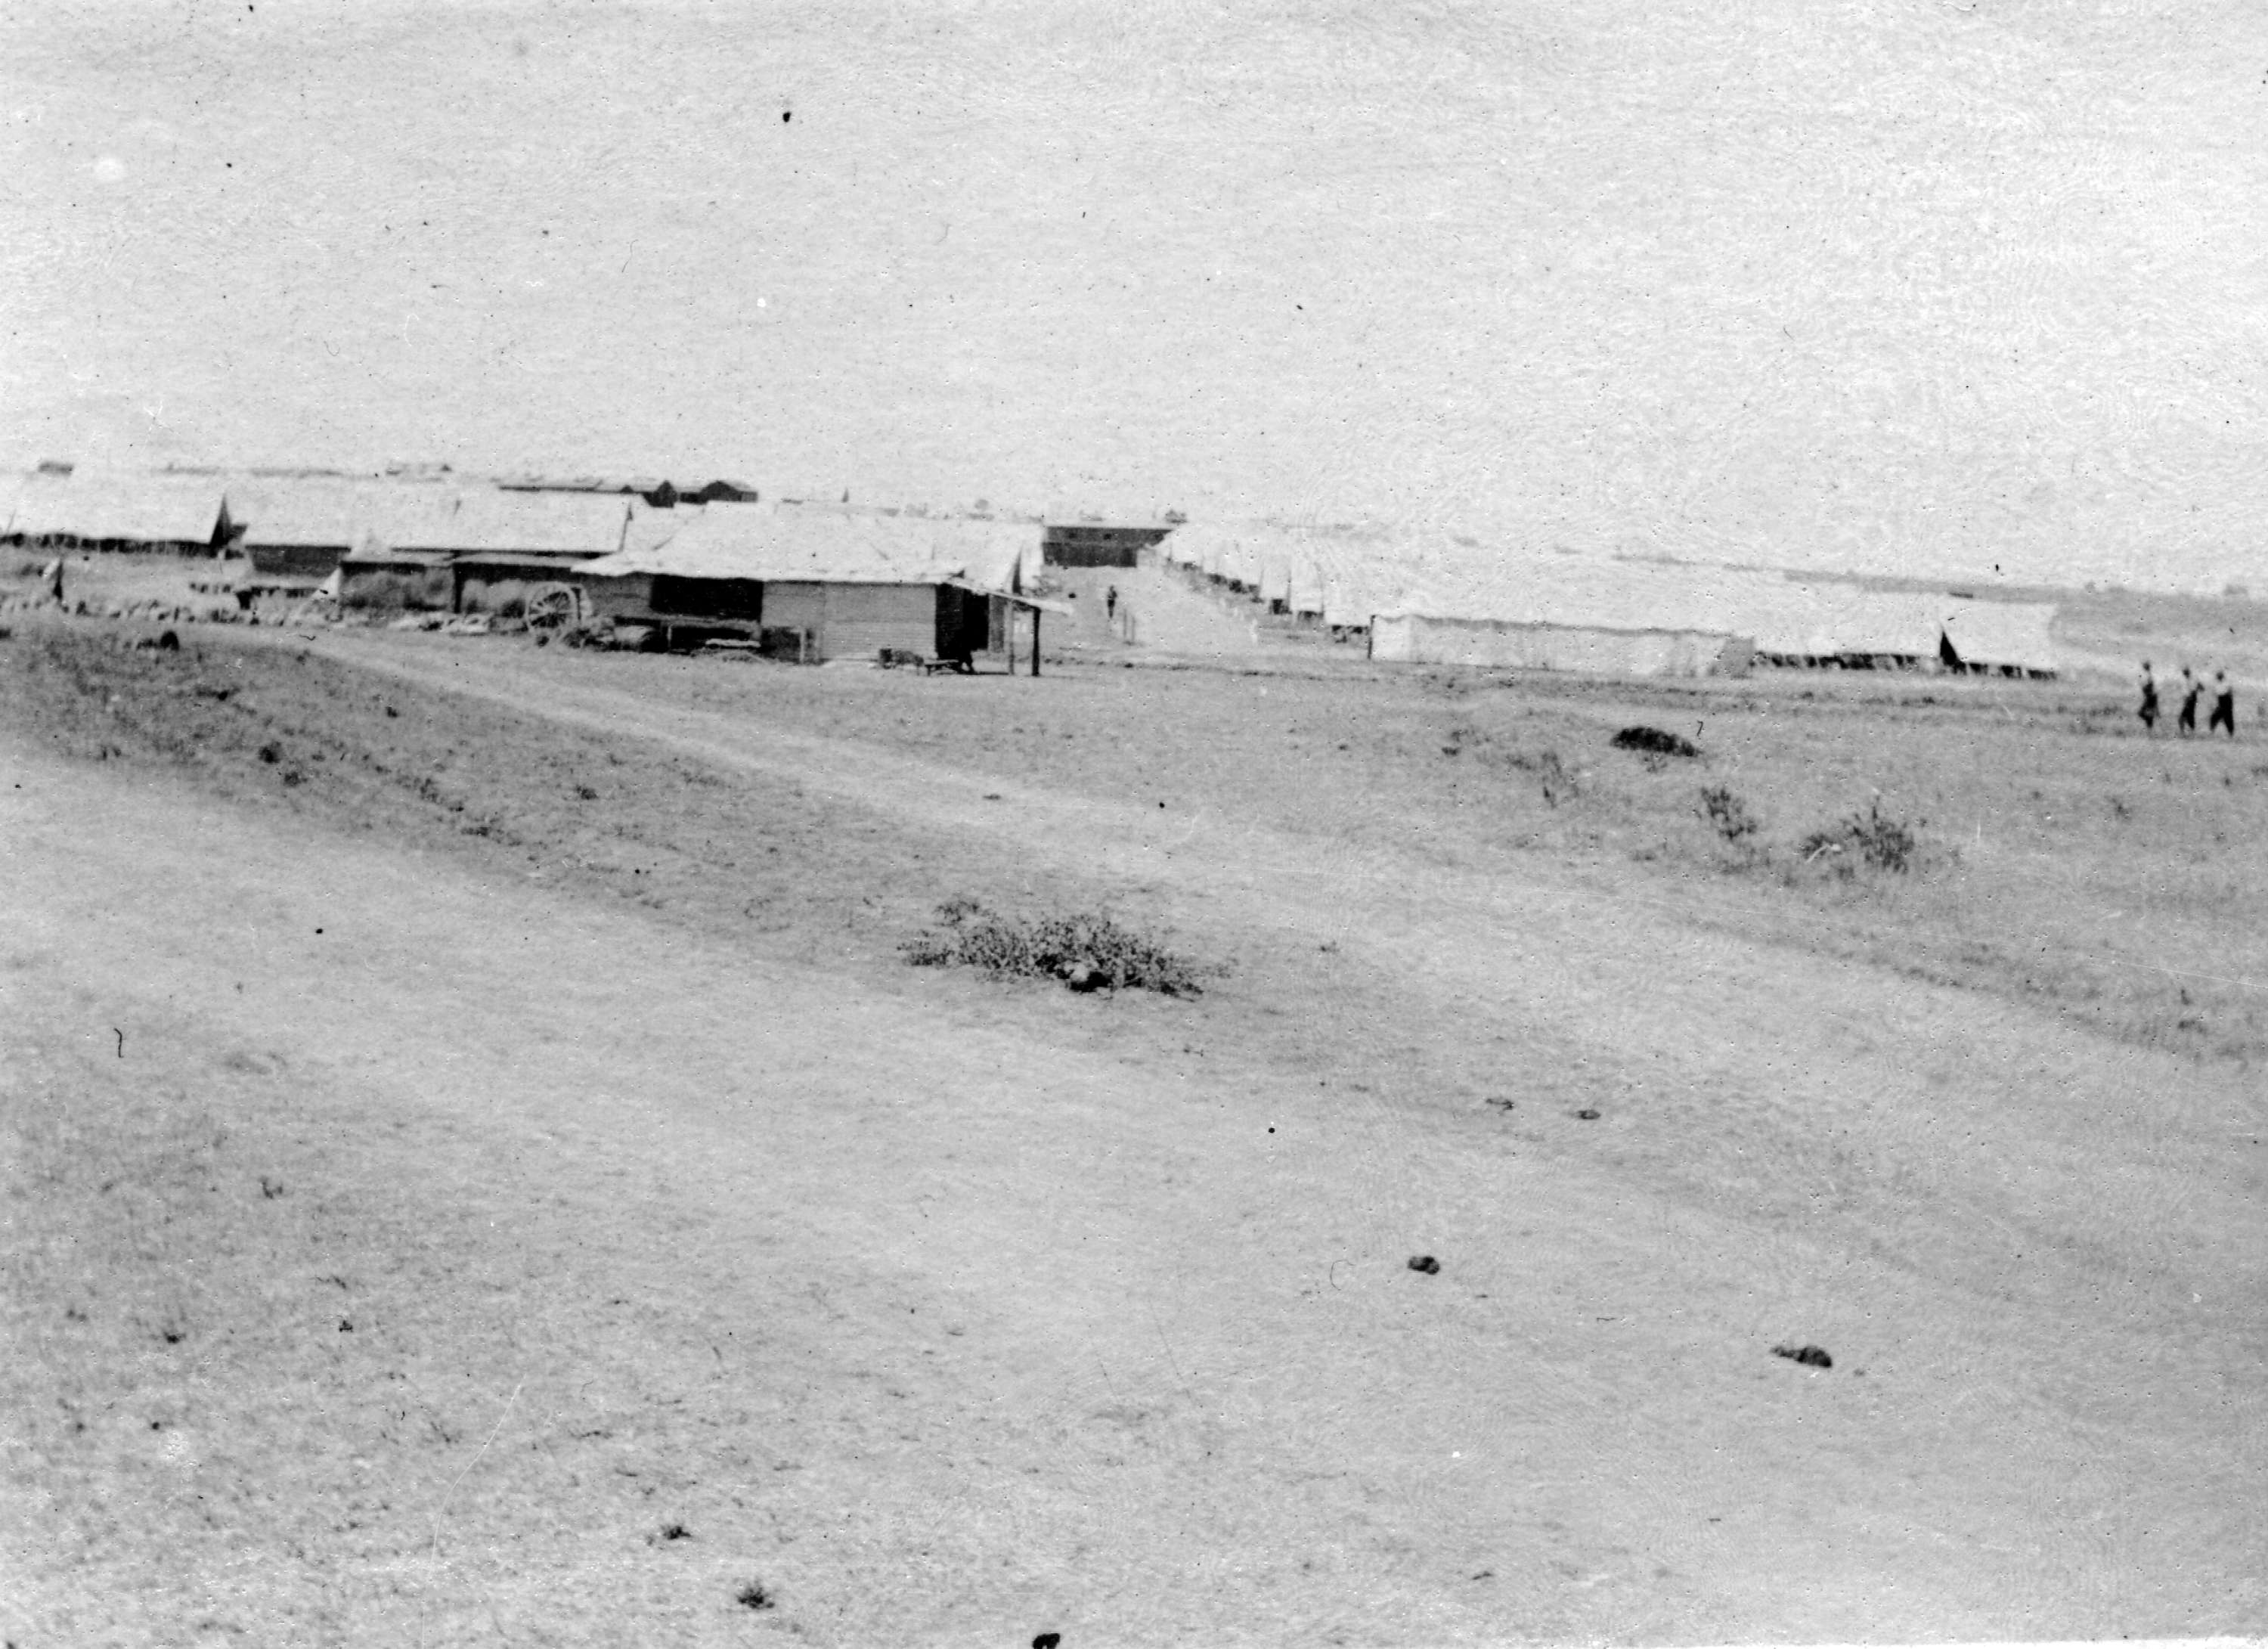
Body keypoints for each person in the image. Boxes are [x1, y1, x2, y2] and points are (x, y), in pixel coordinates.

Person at [2210, 670, 2237, 738]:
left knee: (2228, 718)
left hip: (2227, 702)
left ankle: (2231, 734)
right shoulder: (2217, 684)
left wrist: (2229, 704)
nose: (2218, 677)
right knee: (2214, 717)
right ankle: (2212, 731)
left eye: (2219, 676)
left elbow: (2230, 693)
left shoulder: (2226, 684)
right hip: (2221, 701)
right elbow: (2217, 695)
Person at [2178, 667, 2201, 736]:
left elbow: (2201, 688)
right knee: (2190, 716)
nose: (2184, 673)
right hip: (2190, 699)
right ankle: (2191, 732)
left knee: (2182, 718)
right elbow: (2201, 688)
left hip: (2190, 699)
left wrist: (2194, 692)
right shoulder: (2187, 679)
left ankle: (2184, 733)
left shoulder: (2192, 679)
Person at [2139, 661, 2159, 733]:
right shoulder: (2148, 675)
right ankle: (2149, 729)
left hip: (2150, 696)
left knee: (2144, 713)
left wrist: (2144, 688)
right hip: (2150, 696)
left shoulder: (2148, 675)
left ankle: (2150, 730)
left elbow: (2149, 685)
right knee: (2146, 713)